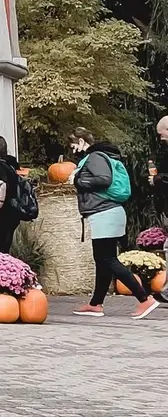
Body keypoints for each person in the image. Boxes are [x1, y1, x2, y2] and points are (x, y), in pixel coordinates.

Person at [68, 128, 156, 318]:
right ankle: (96, 304)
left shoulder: (95, 157)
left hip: (104, 213)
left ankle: (144, 299)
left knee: (108, 259)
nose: (73, 149)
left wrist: (77, 179)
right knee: (102, 260)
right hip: (108, 213)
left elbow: (104, 180)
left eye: (74, 144)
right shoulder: (100, 157)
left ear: (82, 141)